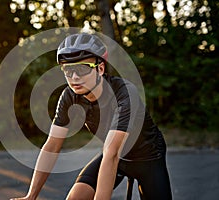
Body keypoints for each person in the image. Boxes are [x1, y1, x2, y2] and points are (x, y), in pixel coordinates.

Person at [11, 33, 172, 200]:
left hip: (148, 158)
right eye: (68, 70)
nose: (74, 77)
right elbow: (51, 146)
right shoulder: (70, 96)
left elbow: (112, 153)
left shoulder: (124, 93)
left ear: (100, 69)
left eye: (81, 68)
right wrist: (31, 196)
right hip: (114, 155)